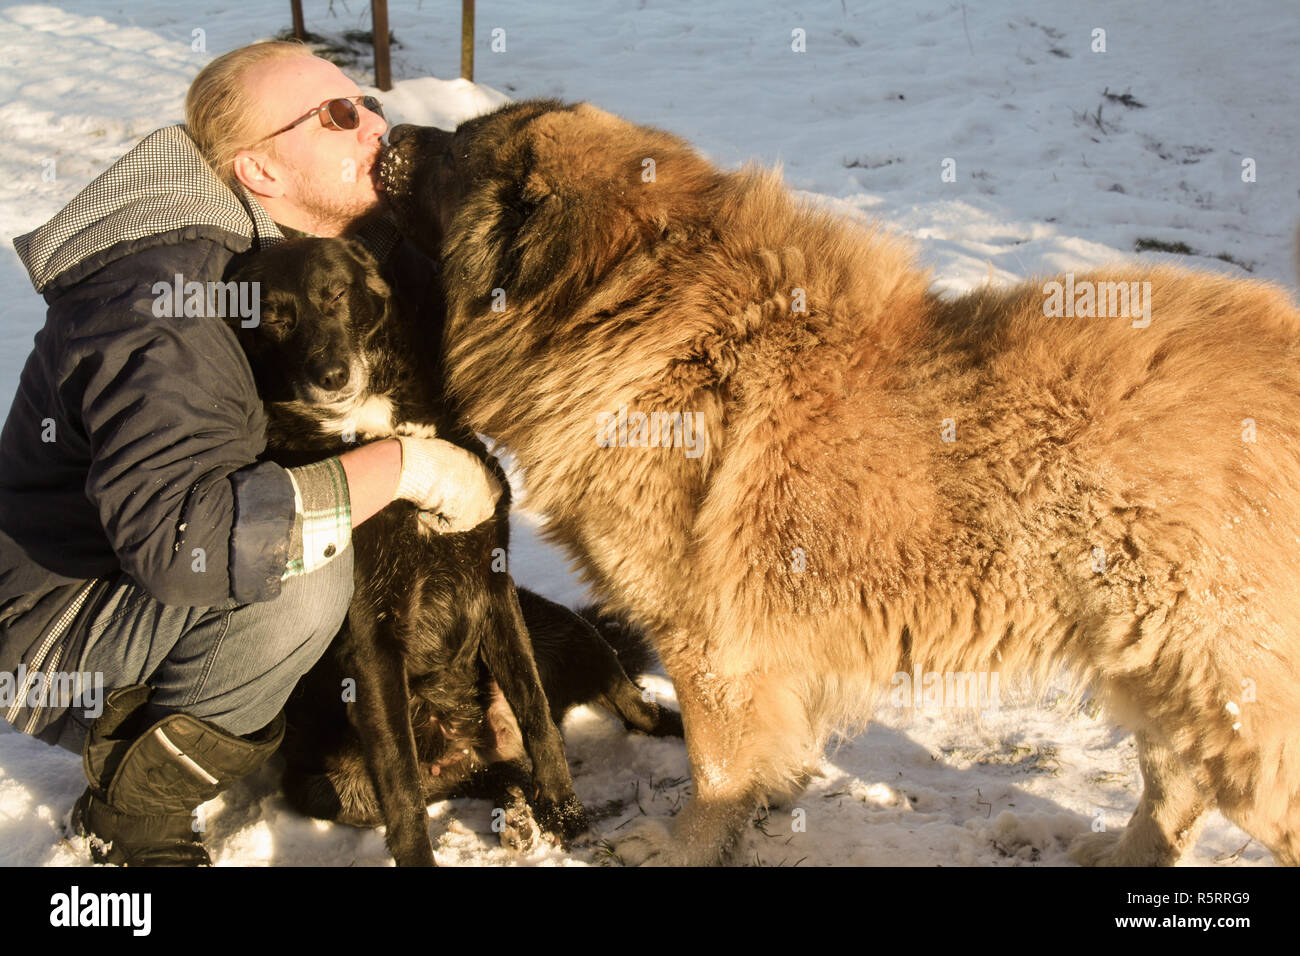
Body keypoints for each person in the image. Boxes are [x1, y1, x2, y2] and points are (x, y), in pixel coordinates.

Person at [0, 41, 499, 865]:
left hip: (149, 591)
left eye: (368, 102)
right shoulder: (166, 300)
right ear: (260, 173)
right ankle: (136, 814)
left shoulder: (313, 250)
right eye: (339, 116)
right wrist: (414, 467)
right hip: (67, 635)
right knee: (305, 568)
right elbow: (180, 543)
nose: (375, 125)